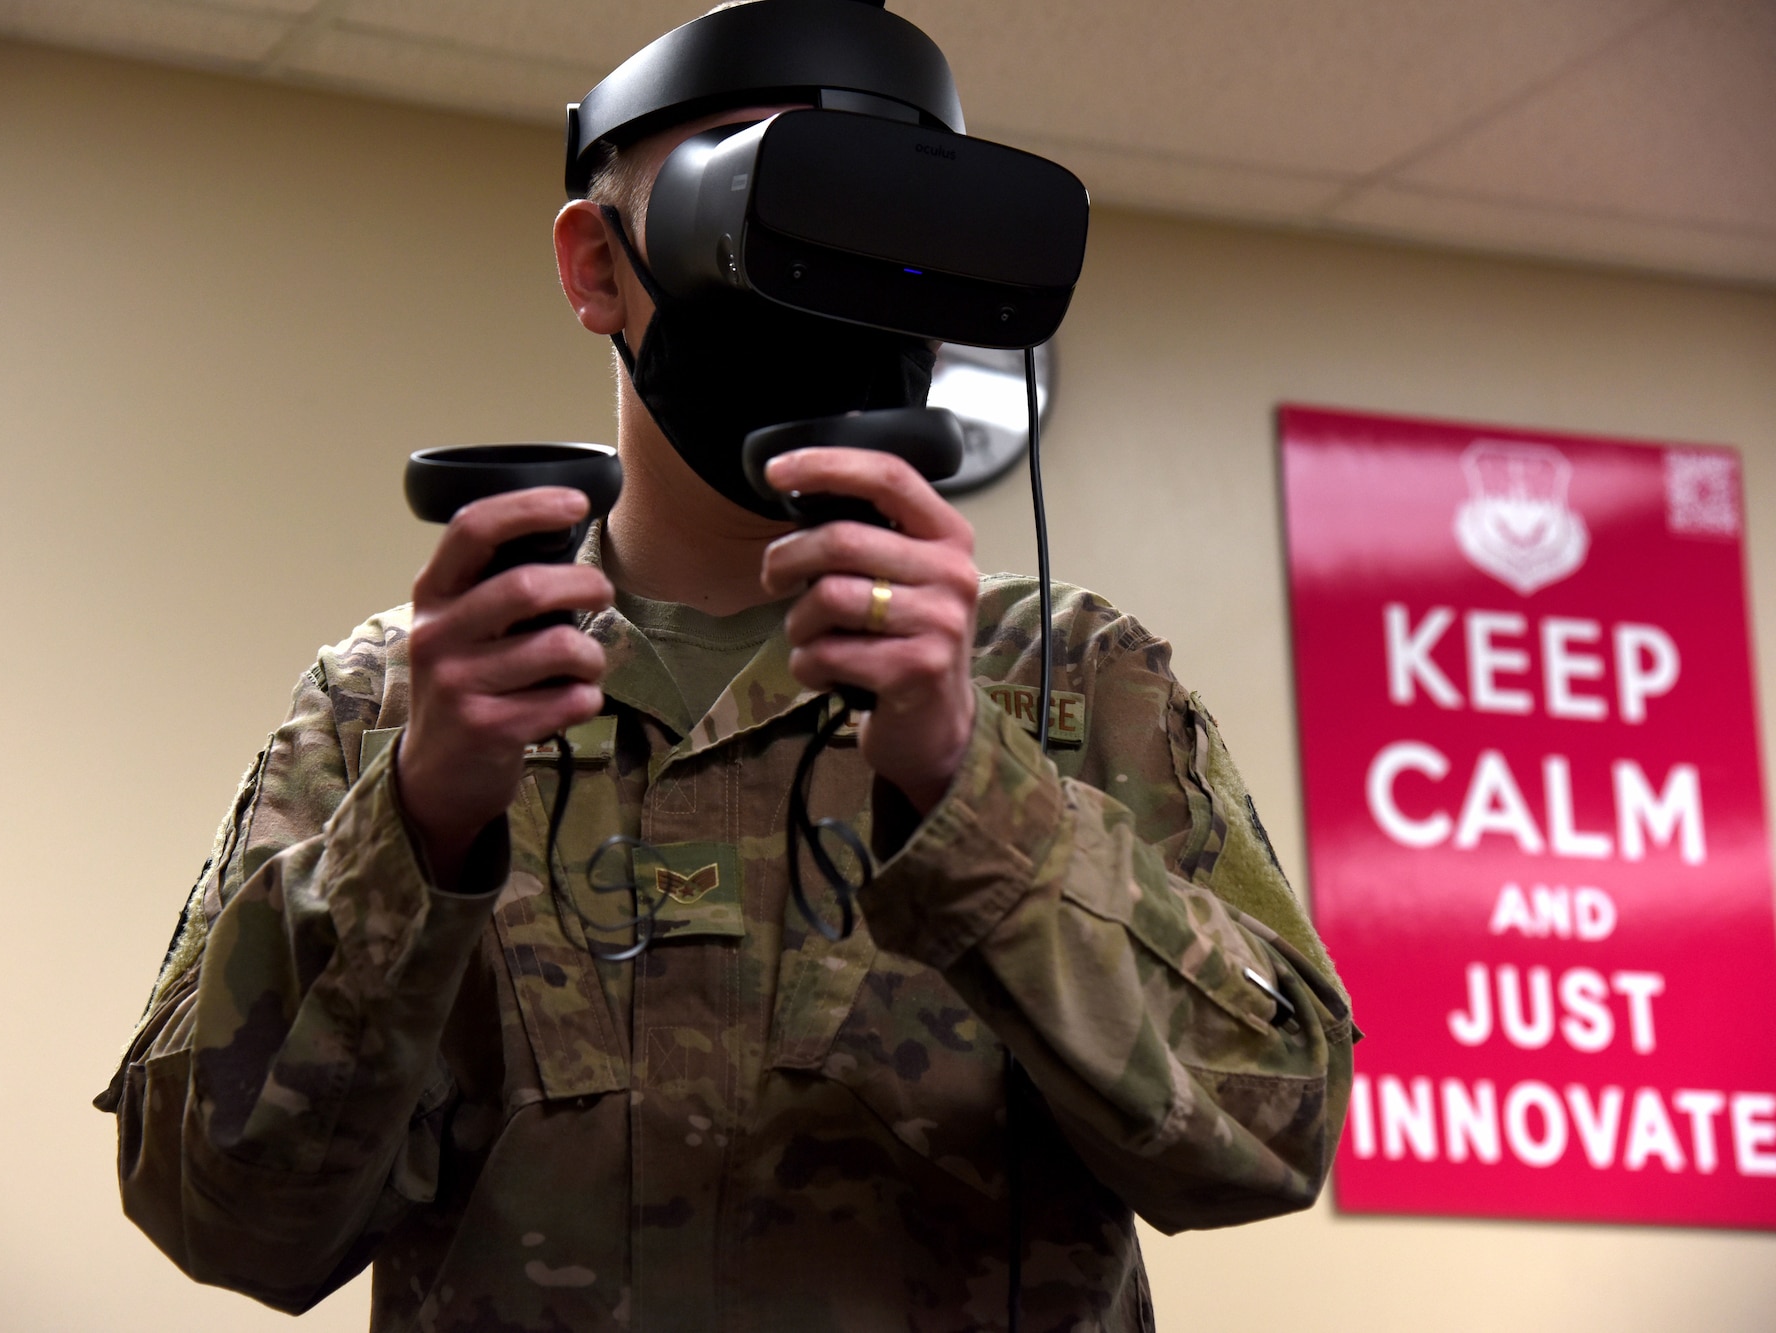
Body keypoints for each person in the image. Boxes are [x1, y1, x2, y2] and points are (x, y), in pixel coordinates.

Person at [96, 4, 1355, 1329]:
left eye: (879, 217)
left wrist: (969, 787)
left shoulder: (1072, 686)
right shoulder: (400, 703)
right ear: (598, 266)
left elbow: (1272, 1129)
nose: (823, 277)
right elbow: (213, 1208)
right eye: (758, 198)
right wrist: (419, 819)